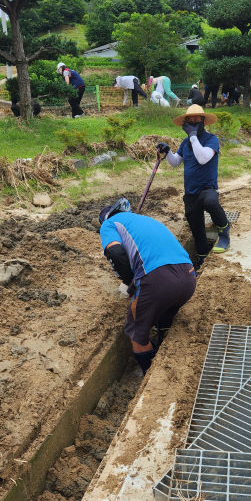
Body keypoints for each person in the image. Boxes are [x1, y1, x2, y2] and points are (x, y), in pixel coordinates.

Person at [99, 197, 197, 374]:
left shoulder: (108, 224)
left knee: (137, 334)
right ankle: (162, 340)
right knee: (163, 314)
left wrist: (130, 283)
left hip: (159, 281)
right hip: (189, 278)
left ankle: (149, 374)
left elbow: (115, 251)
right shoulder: (145, 220)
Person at [156, 104, 230, 267]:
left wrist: (194, 137)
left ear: (203, 121)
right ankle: (202, 258)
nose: (193, 122)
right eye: (190, 120)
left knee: (210, 201)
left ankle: (224, 231)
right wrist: (168, 152)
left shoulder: (212, 140)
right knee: (197, 230)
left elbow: (203, 158)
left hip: (207, 188)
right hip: (191, 192)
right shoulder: (185, 142)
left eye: (197, 119)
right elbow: (176, 162)